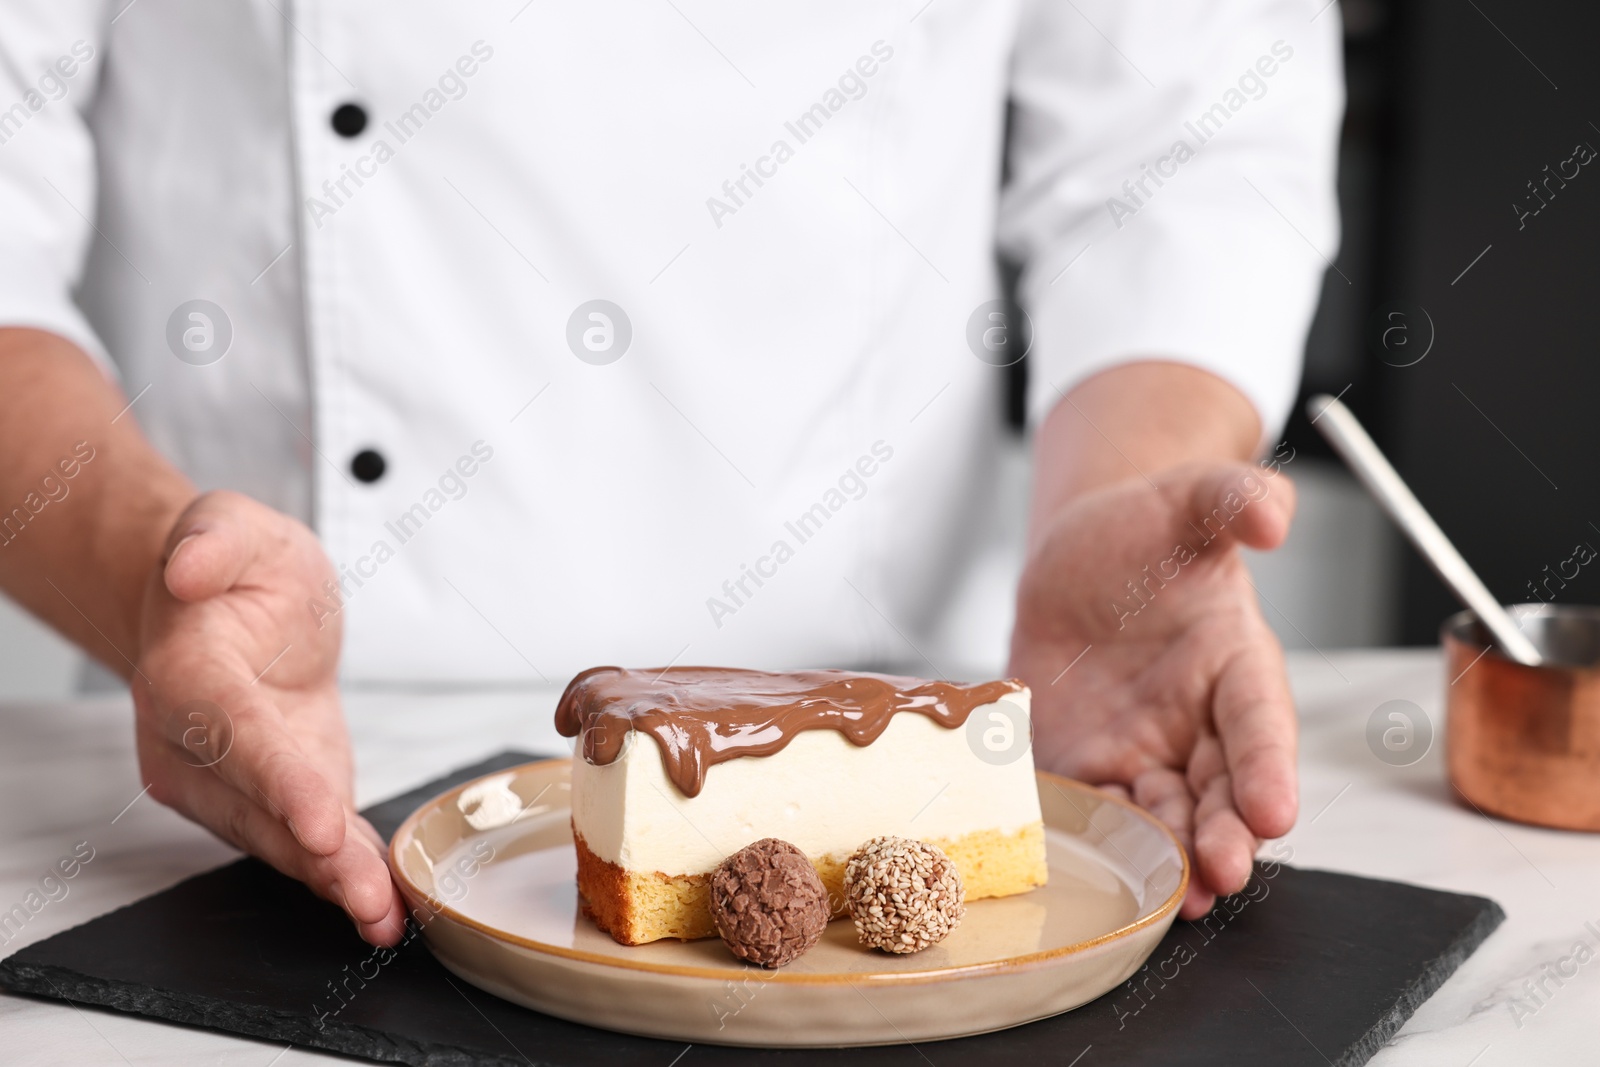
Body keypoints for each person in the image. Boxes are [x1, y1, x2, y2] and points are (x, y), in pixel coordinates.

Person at [0, 2, 1342, 946]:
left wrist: (1142, 484)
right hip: (248, 768)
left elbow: (1184, 143)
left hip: (902, 732)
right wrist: (151, 572)